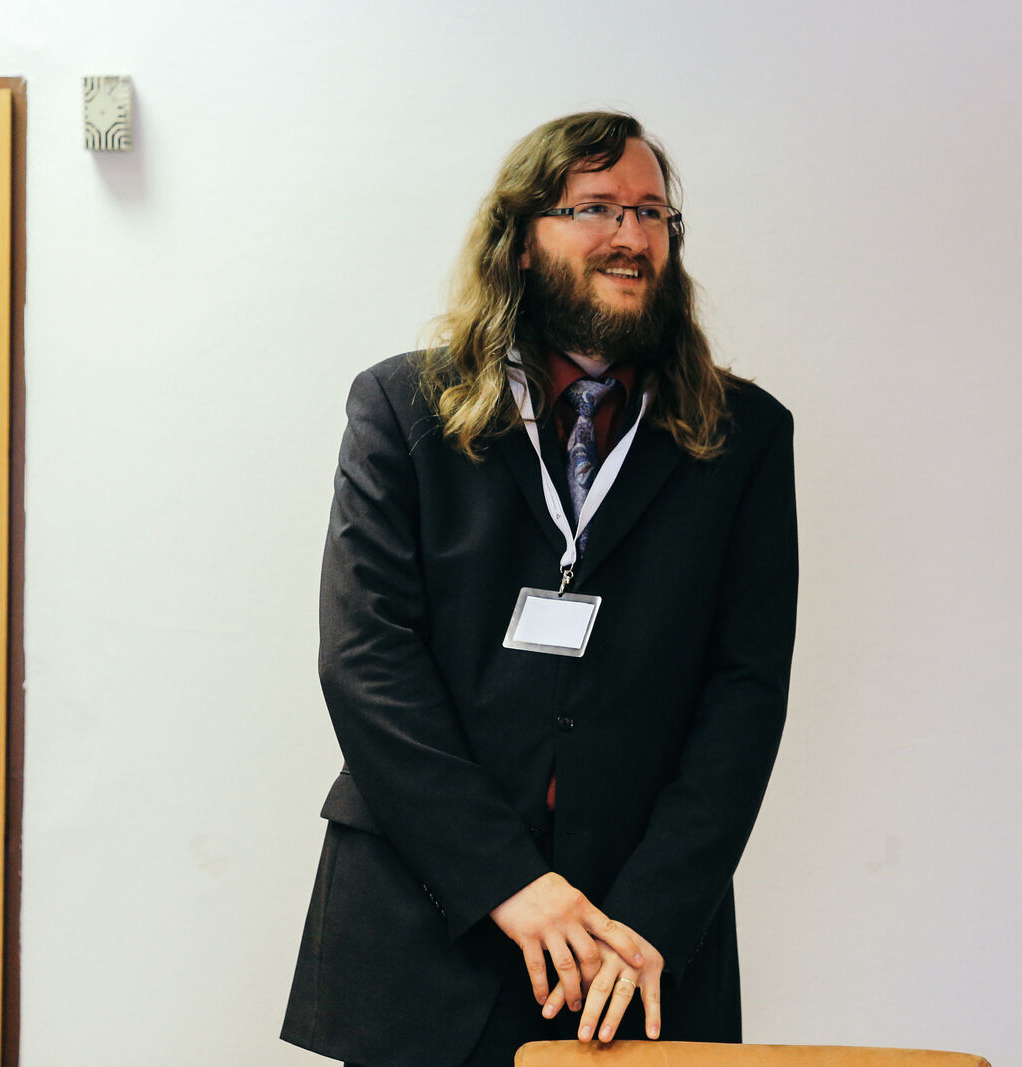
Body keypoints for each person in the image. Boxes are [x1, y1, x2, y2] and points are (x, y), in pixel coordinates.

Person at [281, 111, 798, 1067]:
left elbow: (745, 694)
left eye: (651, 212)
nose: (632, 235)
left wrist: (651, 914)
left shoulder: (746, 437)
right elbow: (366, 661)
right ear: (521, 240)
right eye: (596, 207)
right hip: (424, 929)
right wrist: (509, 882)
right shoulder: (402, 409)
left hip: (631, 951)